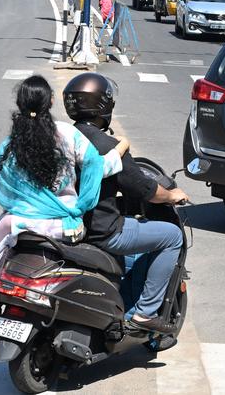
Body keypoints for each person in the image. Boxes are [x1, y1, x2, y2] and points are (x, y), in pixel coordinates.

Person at [0, 76, 128, 317]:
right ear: (50, 101)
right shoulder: (67, 134)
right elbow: (95, 166)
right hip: (65, 226)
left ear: (20, 104)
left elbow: (3, 188)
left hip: (17, 224)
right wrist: (120, 149)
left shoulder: (11, 144)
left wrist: (24, 205)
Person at [63, 73, 187, 334]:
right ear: (104, 106)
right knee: (172, 236)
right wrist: (172, 195)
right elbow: (145, 190)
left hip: (67, 227)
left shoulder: (64, 138)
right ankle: (143, 314)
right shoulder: (108, 145)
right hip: (102, 232)